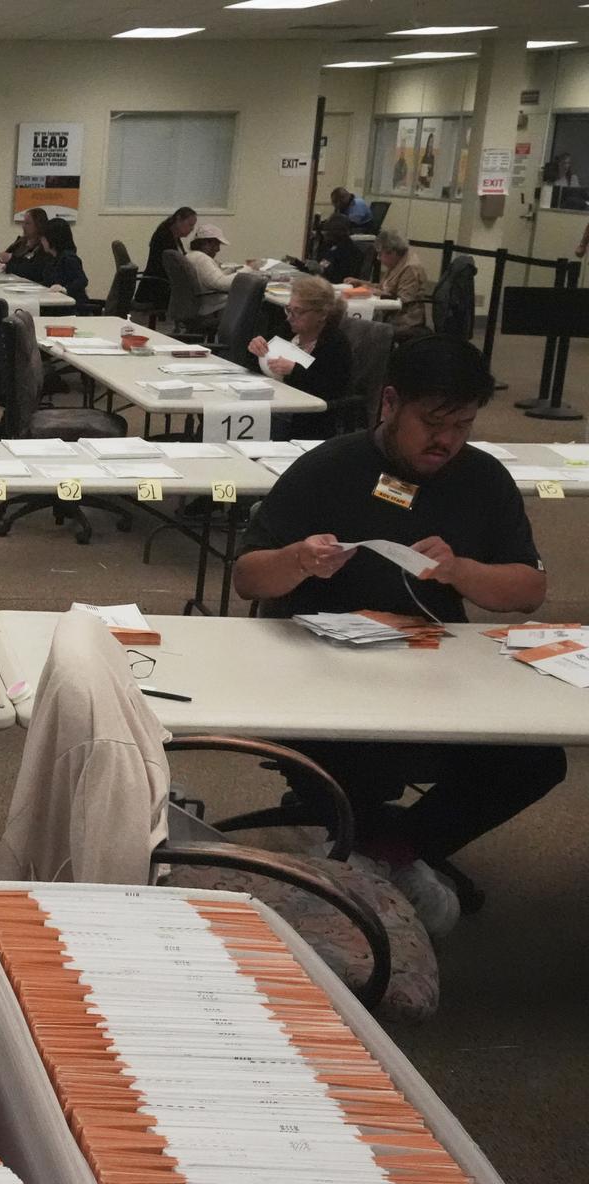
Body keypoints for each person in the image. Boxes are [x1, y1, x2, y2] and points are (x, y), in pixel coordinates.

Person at [232, 335, 564, 935]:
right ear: (390, 403)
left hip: (437, 673)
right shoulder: (330, 467)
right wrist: (298, 560)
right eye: (432, 423)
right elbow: (249, 577)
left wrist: (461, 572)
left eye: (462, 425)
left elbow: (528, 591)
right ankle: (379, 848)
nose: (446, 441)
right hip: (320, 674)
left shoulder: (482, 478)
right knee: (358, 757)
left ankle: (386, 850)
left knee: (536, 759)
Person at [247, 273, 351, 441]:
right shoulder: (287, 330)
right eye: (289, 309)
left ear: (322, 314)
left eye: (298, 312)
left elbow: (330, 390)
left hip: (305, 421)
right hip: (273, 403)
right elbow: (255, 365)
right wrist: (255, 350)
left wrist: (295, 371)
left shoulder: (335, 343)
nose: (290, 317)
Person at [347, 227, 431, 335]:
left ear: (392, 252)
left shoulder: (410, 268)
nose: (378, 258)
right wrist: (361, 283)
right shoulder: (396, 263)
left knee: (359, 327)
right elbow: (383, 287)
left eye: (380, 254)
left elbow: (403, 301)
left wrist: (375, 292)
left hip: (405, 321)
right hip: (389, 315)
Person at [182, 222, 241, 317]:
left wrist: (231, 270)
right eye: (216, 244)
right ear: (205, 243)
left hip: (202, 302)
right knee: (257, 299)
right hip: (211, 305)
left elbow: (211, 278)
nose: (218, 249)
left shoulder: (192, 256)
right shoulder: (202, 259)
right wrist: (247, 271)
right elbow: (221, 284)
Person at [0, 209, 56, 286]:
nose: (23, 226)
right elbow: (2, 260)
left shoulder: (44, 247)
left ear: (38, 225)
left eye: (28, 223)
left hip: (32, 286)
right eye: (23, 222)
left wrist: (11, 259)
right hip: (12, 283)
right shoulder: (20, 242)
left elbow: (34, 271)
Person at [44, 220, 90, 308]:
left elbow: (82, 280)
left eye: (44, 238)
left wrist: (64, 289)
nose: (42, 241)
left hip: (72, 306)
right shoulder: (52, 258)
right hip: (57, 302)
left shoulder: (68, 258)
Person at [315, 215, 361, 285]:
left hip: (338, 284)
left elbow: (340, 276)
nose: (325, 234)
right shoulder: (328, 246)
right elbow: (322, 261)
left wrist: (322, 270)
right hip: (322, 280)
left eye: (328, 232)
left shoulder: (350, 251)